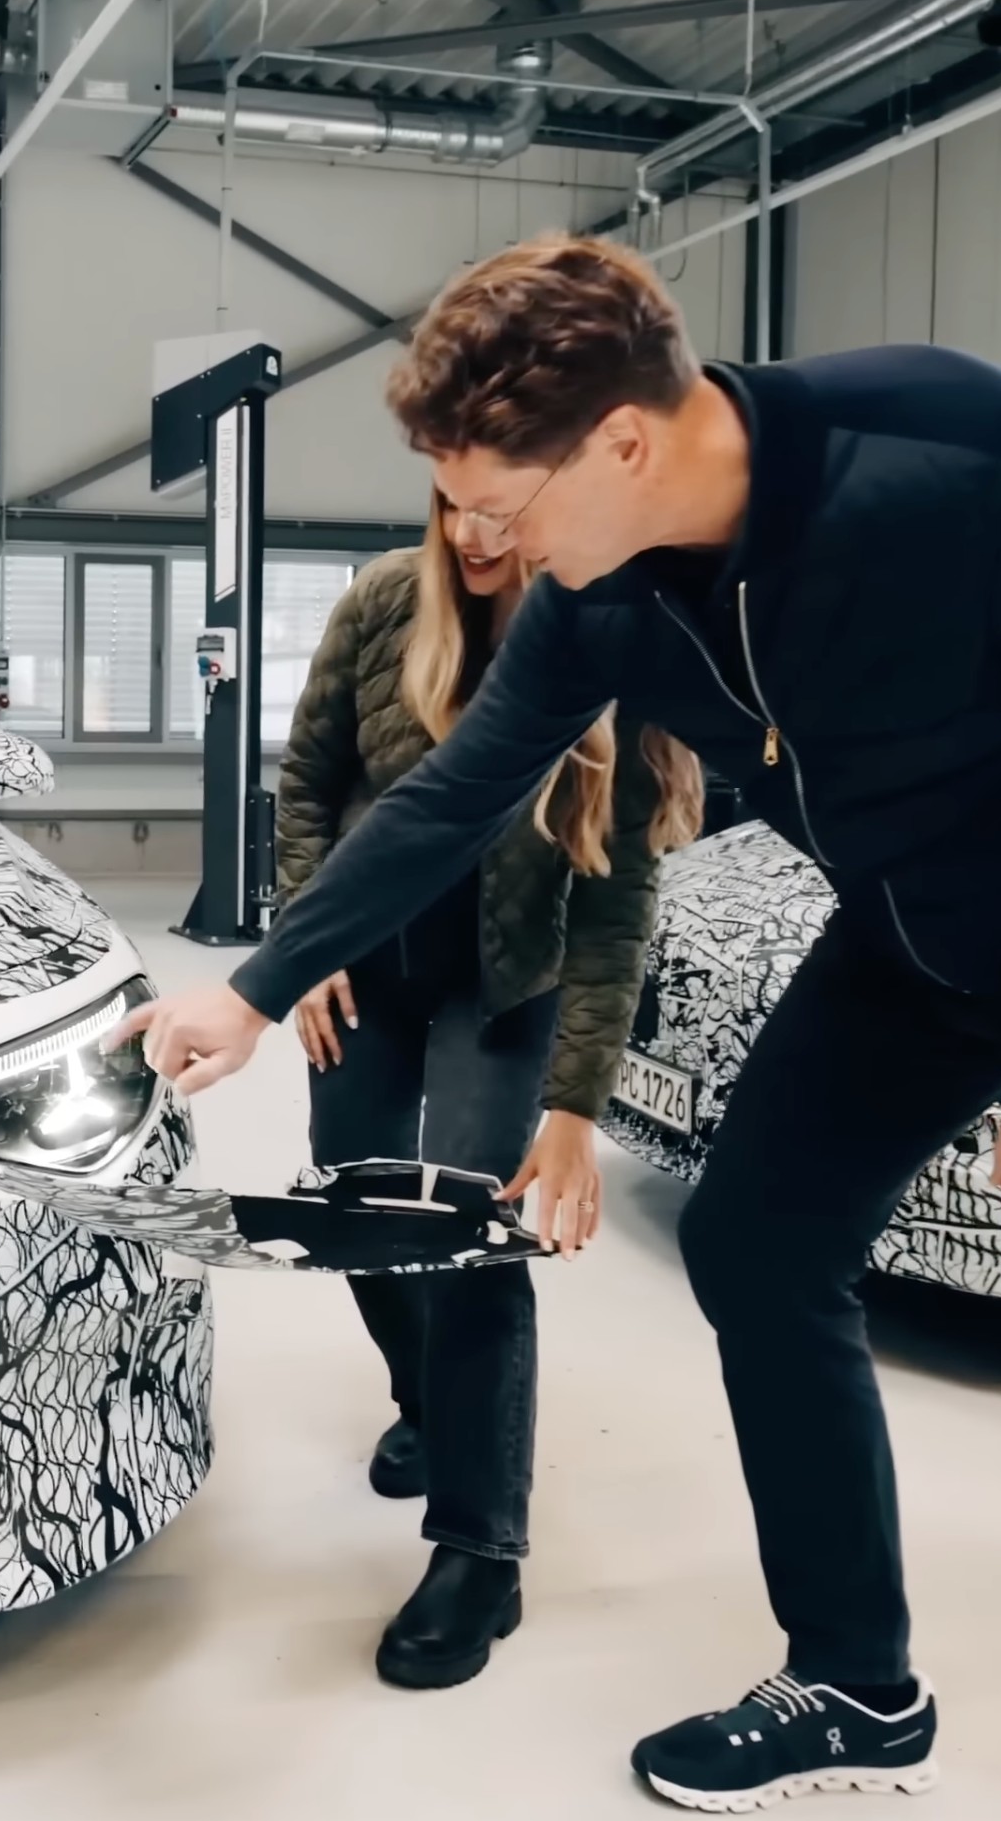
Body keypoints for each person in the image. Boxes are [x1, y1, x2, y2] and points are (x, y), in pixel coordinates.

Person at [117, 235, 1001, 1818]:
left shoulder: (969, 464)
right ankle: (856, 1674)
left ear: (626, 441)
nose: (485, 543)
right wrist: (253, 981)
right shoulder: (608, 588)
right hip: (923, 939)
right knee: (761, 1247)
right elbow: (459, 788)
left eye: (504, 503)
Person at [274, 500, 701, 1691]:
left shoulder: (608, 642)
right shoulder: (384, 603)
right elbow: (306, 785)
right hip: (367, 969)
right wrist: (309, 948)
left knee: (470, 1239)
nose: (474, 531)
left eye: (503, 512)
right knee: (355, 1217)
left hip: (507, 990)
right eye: (456, 504)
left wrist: (573, 1116)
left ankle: (480, 1548)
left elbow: (615, 921)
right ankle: (434, 1401)